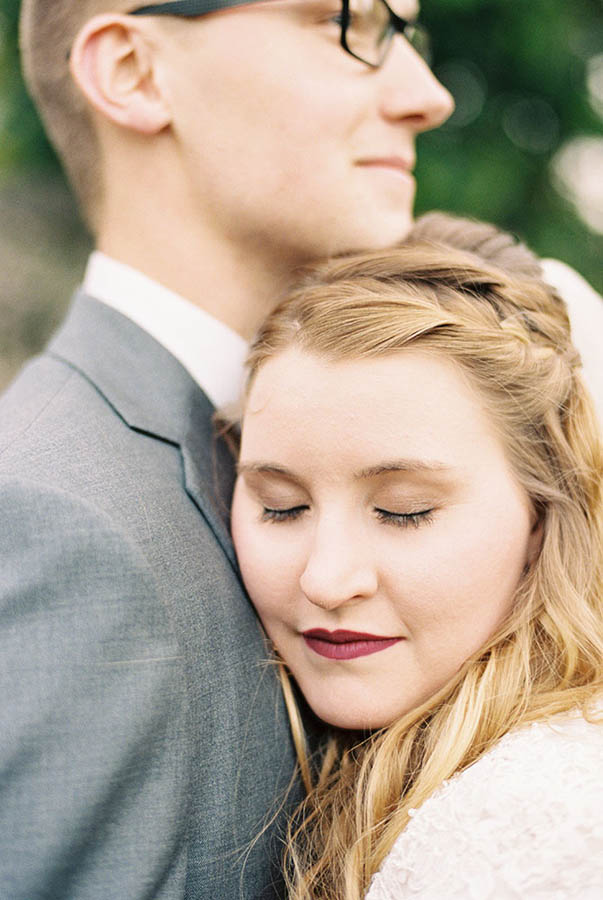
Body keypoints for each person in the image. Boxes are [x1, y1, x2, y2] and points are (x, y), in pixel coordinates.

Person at [0, 1, 454, 898]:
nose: (426, 95)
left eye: (410, 34)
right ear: (132, 71)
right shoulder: (57, 526)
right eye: (348, 24)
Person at [231, 213, 603, 899]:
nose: (327, 578)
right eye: (280, 504)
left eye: (404, 510)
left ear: (542, 515)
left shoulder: (549, 823)